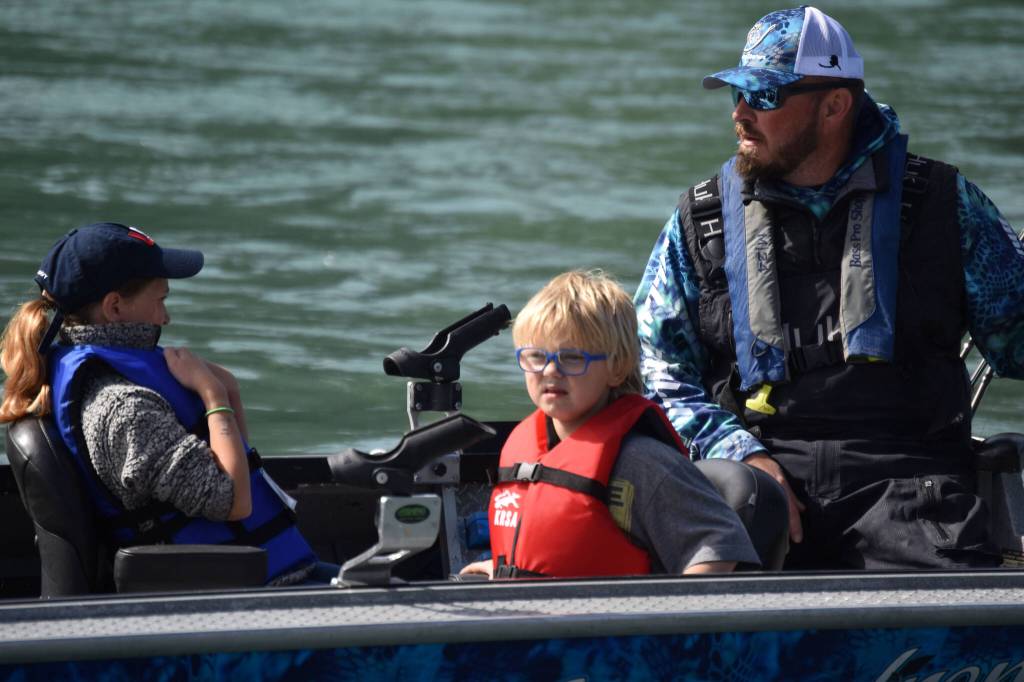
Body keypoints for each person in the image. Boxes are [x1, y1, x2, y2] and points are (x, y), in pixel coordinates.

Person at [635, 6, 1024, 570]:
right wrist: (737, 451)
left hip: (911, 488)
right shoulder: (700, 220)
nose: (741, 114)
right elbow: (657, 372)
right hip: (754, 487)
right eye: (736, 95)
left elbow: (1015, 340)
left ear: (835, 105)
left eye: (764, 98)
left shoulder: (947, 204)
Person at [0, 222, 325, 586]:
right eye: (161, 300)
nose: (166, 318)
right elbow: (234, 502)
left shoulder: (101, 374)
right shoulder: (124, 409)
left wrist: (225, 387)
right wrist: (212, 396)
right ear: (115, 307)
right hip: (236, 597)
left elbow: (242, 468)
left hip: (255, 573)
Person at [461, 270, 759, 579]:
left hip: (609, 623)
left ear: (617, 368)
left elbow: (720, 544)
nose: (550, 370)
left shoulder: (643, 462)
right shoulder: (523, 447)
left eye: (572, 358)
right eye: (536, 356)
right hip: (532, 618)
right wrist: (505, 571)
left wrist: (668, 619)